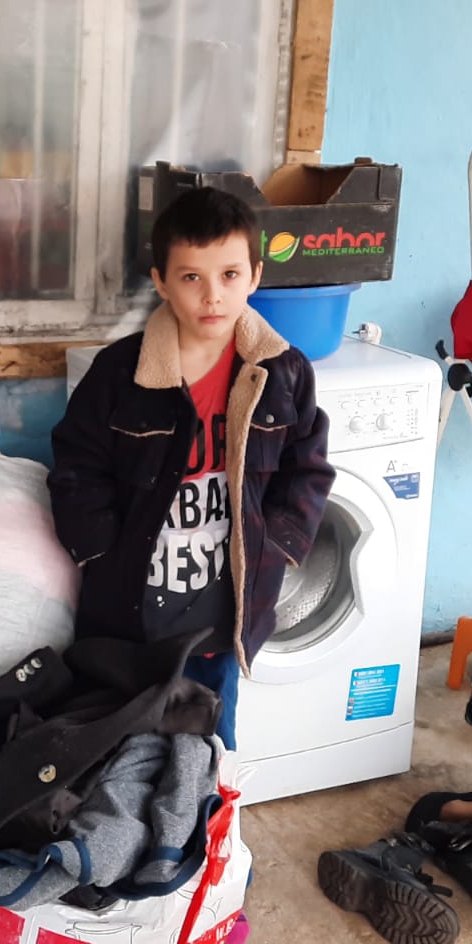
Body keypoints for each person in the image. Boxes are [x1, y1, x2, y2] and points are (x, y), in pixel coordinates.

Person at [49, 185, 336, 753]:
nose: (213, 296)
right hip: (133, 607)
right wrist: (100, 552)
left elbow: (307, 468)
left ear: (255, 276)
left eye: (229, 275)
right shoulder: (119, 373)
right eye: (191, 277)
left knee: (210, 748)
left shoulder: (282, 373)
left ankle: (207, 811)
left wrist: (277, 546)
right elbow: (77, 465)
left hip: (223, 611)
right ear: (161, 282)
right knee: (119, 748)